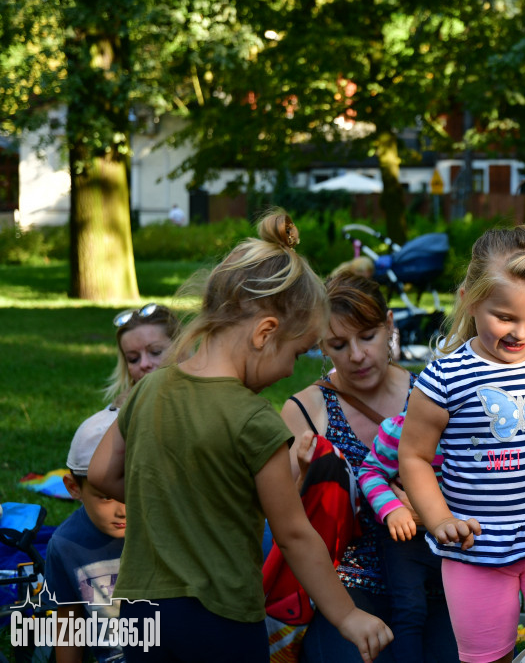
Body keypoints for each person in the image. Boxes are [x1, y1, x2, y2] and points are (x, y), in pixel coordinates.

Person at [88, 211, 392, 663]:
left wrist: (171, 495)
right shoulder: (255, 420)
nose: (292, 369)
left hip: (140, 612)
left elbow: (102, 473)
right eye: (295, 352)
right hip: (221, 617)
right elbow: (294, 534)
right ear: (265, 333)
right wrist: (348, 616)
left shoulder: (150, 386)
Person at [399, 223, 525, 663]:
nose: (520, 333)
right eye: (505, 317)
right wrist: (439, 520)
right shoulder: (444, 379)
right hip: (476, 550)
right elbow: (413, 456)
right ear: (470, 299)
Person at [280, 271, 446, 663]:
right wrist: (302, 477)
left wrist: (432, 509)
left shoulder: (429, 393)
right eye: (338, 344)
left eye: (368, 336)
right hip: (347, 583)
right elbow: (283, 518)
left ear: (389, 326)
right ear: (321, 343)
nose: (356, 355)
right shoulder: (305, 409)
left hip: (433, 573)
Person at [356, 412, 456, 663]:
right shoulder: (400, 430)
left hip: (455, 538)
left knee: (460, 605)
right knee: (409, 608)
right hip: (407, 539)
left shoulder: (472, 431)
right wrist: (392, 508)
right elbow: (370, 472)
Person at [45, 413, 128, 663]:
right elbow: (68, 624)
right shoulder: (65, 545)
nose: (123, 508)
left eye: (132, 490)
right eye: (105, 496)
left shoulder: (163, 526)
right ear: (73, 487)